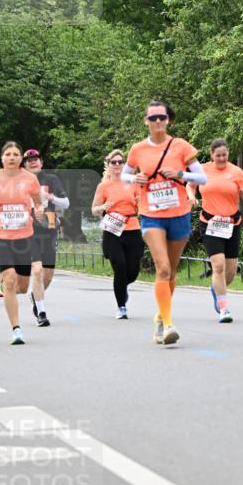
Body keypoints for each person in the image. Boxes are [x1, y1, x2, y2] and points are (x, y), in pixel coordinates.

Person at [122, 100, 207, 346]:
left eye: (161, 117)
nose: (157, 121)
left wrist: (181, 174)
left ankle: (160, 315)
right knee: (162, 268)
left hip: (179, 213)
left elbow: (202, 177)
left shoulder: (180, 146)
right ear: (146, 121)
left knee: (171, 269)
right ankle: (168, 324)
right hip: (151, 214)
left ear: (168, 119)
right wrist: (134, 177)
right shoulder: (138, 149)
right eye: (153, 118)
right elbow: (125, 175)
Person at [0, 141, 45, 344]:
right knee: (9, 280)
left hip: (25, 238)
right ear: (2, 158)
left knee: (22, 287)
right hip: (1, 238)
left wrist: (40, 210)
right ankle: (16, 329)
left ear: (20, 158)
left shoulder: (29, 179)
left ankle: (14, 294)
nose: (11, 157)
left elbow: (38, 202)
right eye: (8, 154)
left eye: (15, 154)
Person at [188, 139, 243, 323]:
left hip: (232, 224)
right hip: (210, 223)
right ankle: (223, 309)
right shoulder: (202, 170)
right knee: (218, 266)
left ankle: (217, 288)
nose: (222, 158)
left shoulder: (236, 171)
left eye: (225, 155)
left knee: (230, 272)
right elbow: (190, 185)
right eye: (218, 156)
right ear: (211, 155)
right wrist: (191, 196)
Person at [91, 150, 144, 319]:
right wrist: (103, 207)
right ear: (108, 165)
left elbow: (142, 206)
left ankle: (121, 287)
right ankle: (121, 306)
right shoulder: (103, 186)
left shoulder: (133, 183)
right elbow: (94, 210)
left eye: (120, 162)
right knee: (119, 266)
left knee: (133, 270)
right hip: (112, 230)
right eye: (113, 162)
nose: (117, 165)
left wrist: (138, 203)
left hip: (132, 227)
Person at [23, 149, 70, 327]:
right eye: (29, 161)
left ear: (41, 162)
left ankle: (35, 294)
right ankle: (41, 312)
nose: (32, 163)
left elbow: (66, 203)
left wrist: (51, 197)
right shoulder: (19, 182)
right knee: (36, 270)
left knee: (48, 276)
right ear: (24, 165)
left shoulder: (51, 179)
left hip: (48, 229)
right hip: (28, 231)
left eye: (35, 160)